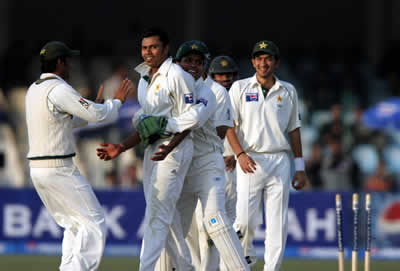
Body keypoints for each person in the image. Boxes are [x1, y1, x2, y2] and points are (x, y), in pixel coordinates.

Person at [96, 29, 211, 271]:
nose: (148, 52)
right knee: (165, 218)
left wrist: (171, 147)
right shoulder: (145, 78)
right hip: (153, 150)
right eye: (145, 48)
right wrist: (121, 147)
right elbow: (147, 125)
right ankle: (186, 268)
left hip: (174, 150)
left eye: (154, 47)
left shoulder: (178, 75)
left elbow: (190, 120)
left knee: (157, 215)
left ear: (166, 48)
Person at [25, 41, 133, 271]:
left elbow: (70, 121)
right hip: (58, 168)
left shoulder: (34, 89)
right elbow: (95, 115)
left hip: (38, 170)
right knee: (94, 222)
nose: (72, 66)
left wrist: (96, 108)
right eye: (69, 61)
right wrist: (116, 103)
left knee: (74, 226)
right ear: (60, 62)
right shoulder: (59, 88)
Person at [157, 40, 249, 271]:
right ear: (178, 63)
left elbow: (219, 133)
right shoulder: (171, 87)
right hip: (181, 163)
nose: (193, 66)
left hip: (207, 162)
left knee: (214, 220)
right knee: (173, 227)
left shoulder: (216, 92)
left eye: (198, 62)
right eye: (188, 61)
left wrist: (185, 126)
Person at [226, 40, 307, 271]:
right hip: (249, 159)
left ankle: (272, 268)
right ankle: (244, 261)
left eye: (268, 58)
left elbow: (294, 130)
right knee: (243, 221)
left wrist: (299, 167)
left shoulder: (288, 90)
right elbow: (228, 126)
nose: (263, 63)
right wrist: (239, 153)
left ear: (276, 62)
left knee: (277, 224)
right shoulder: (240, 88)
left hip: (279, 160)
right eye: (259, 58)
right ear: (253, 62)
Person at [186, 55, 241, 270]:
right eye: (221, 75)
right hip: (206, 167)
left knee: (225, 226)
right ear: (212, 75)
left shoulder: (237, 95)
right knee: (204, 227)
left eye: (229, 75)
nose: (225, 79)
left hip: (229, 168)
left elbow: (235, 132)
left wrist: (236, 155)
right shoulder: (202, 93)